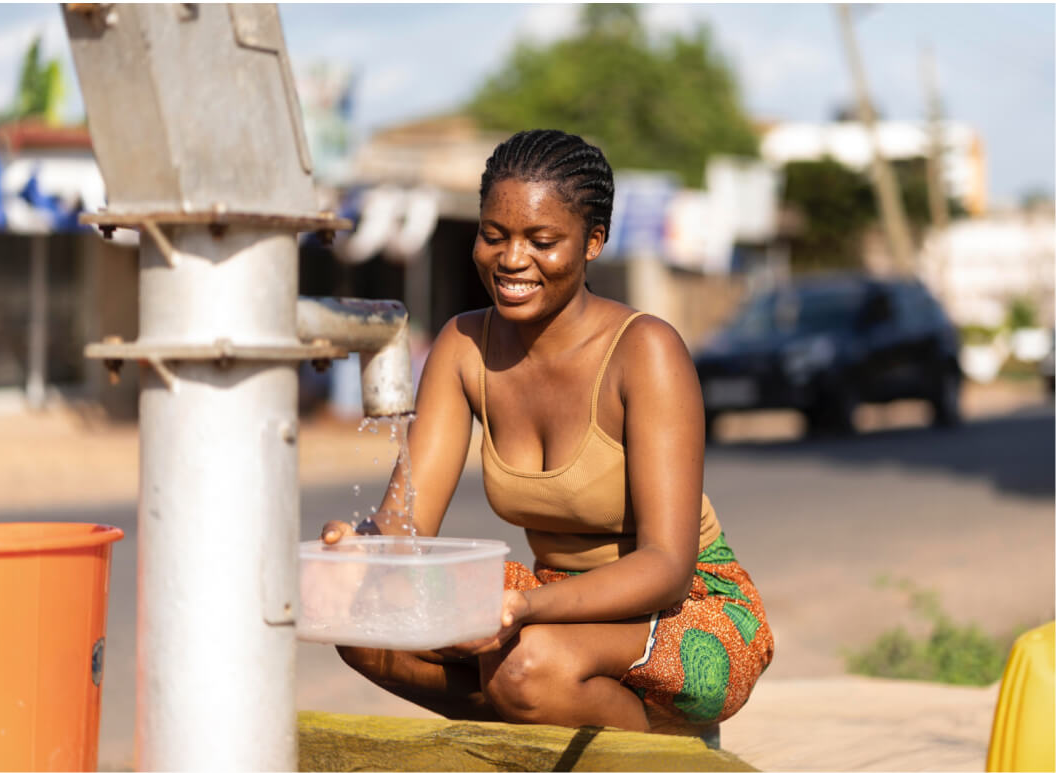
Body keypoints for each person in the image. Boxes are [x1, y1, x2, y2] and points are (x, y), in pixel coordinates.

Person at [320, 129, 773, 737]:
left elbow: (667, 564)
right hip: (552, 604)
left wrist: (526, 607)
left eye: (542, 241)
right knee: (362, 621)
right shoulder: (462, 347)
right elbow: (406, 526)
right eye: (494, 235)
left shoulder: (646, 351)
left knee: (526, 669)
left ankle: (670, 747)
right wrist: (364, 549)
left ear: (593, 243)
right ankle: (546, 731)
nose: (511, 260)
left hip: (689, 609)